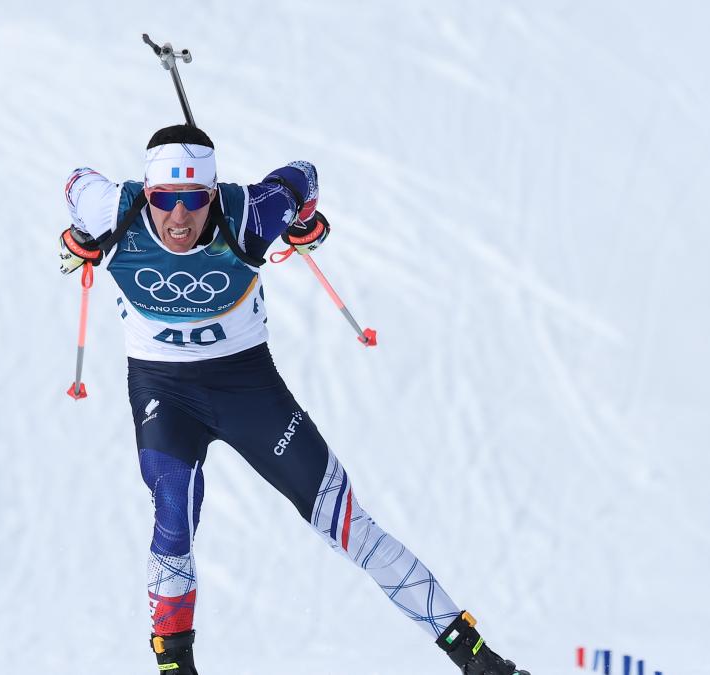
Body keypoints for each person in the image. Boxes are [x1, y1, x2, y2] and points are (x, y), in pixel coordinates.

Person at [59, 124, 530, 675]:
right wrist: (79, 236)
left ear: (213, 195)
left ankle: (476, 659)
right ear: (147, 193)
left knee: (344, 520)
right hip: (164, 388)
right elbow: (74, 183)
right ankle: (174, 668)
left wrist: (304, 221)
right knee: (173, 513)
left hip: (247, 388)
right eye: (165, 199)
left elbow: (302, 176)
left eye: (193, 200)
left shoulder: (250, 215)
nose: (179, 218)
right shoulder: (113, 211)